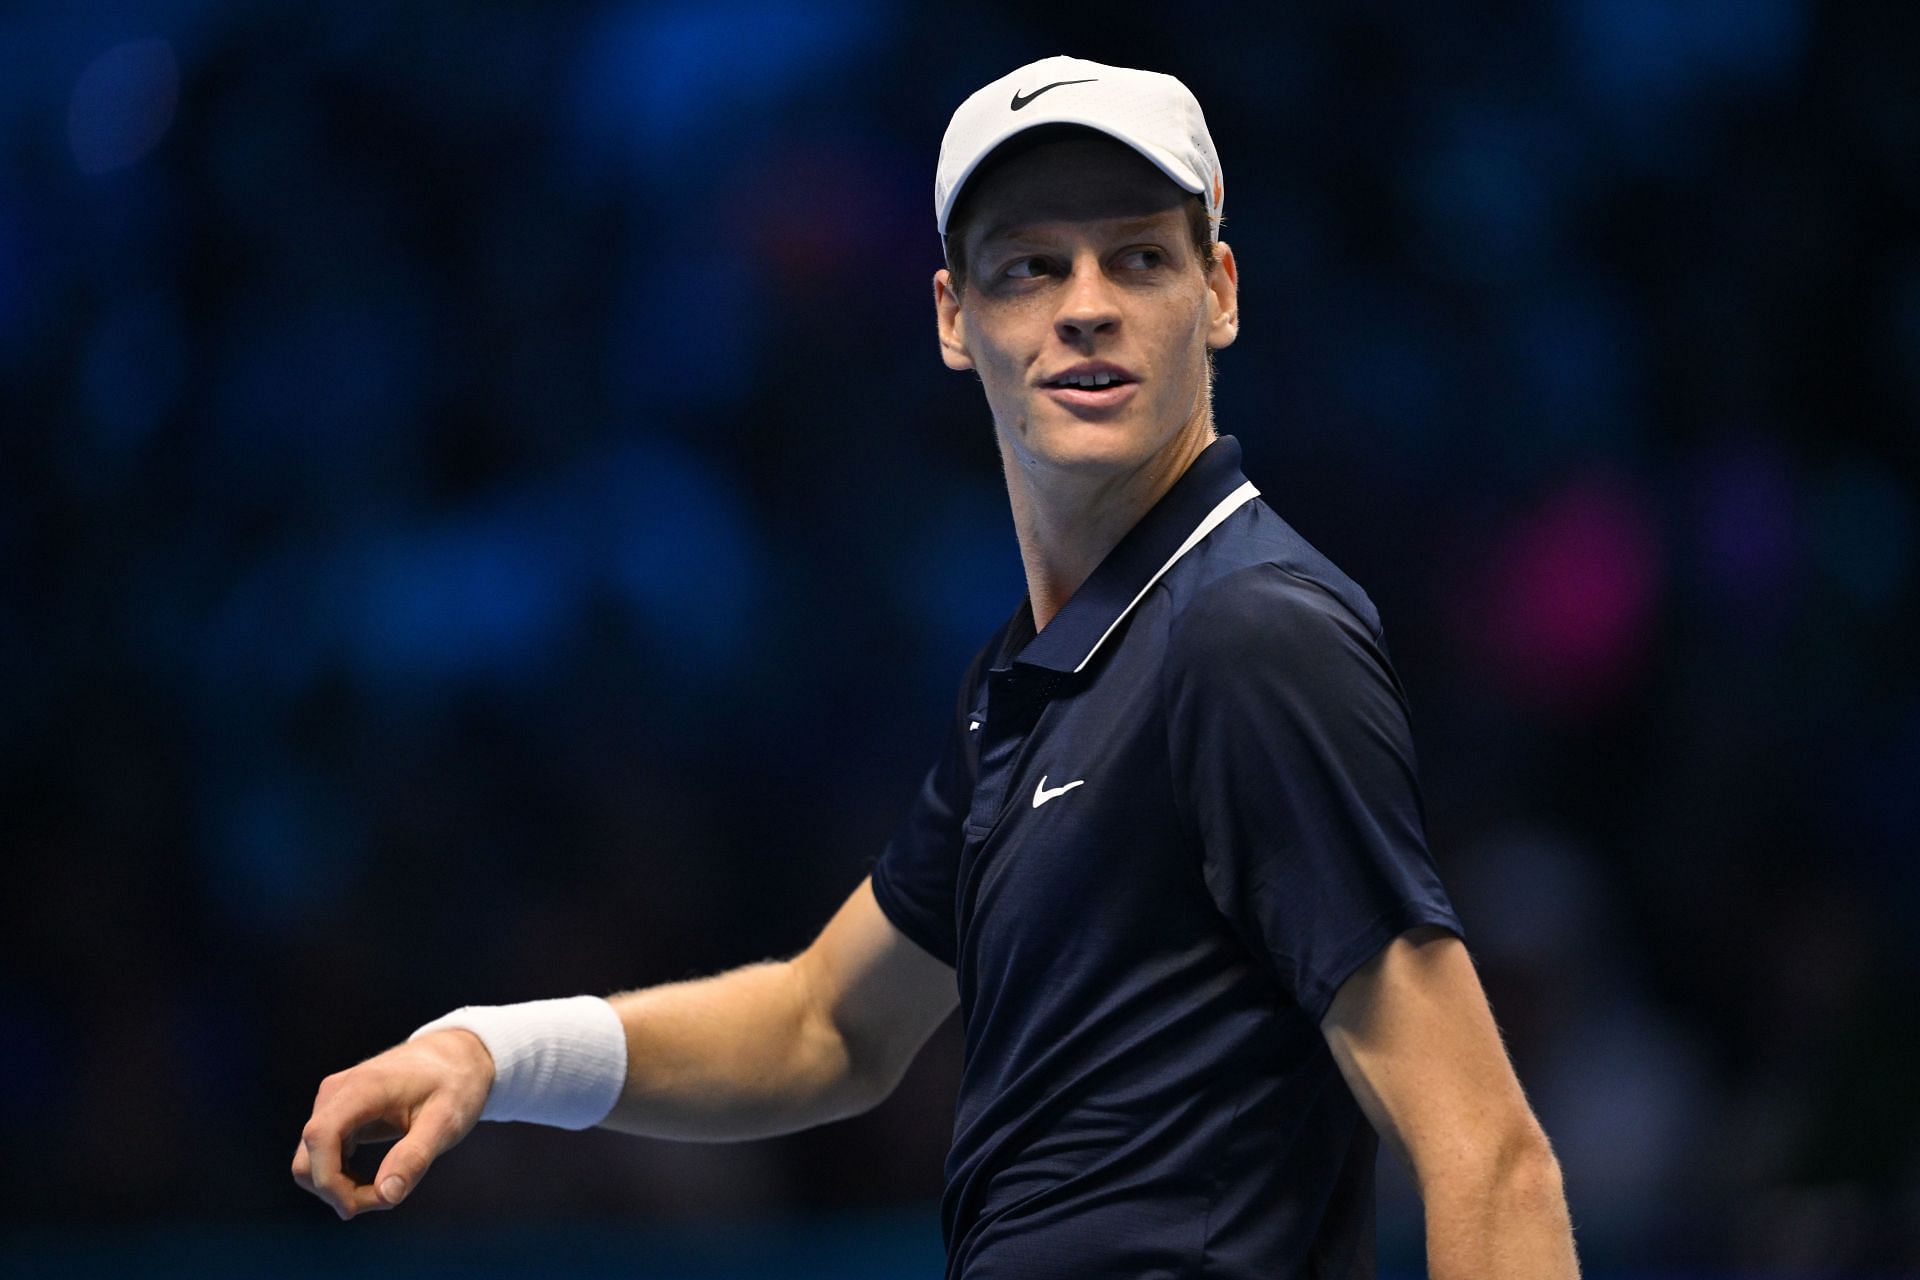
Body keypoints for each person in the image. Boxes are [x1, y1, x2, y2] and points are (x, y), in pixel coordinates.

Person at [293, 55, 1581, 1278]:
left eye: (1139, 255)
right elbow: (827, 1028)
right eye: (1031, 267)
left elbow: (1490, 1158)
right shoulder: (1023, 685)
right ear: (956, 319)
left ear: (1222, 292)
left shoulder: (1251, 634)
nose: (1087, 303)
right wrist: (490, 1052)